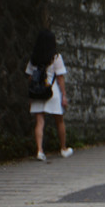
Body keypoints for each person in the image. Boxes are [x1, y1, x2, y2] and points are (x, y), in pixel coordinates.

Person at [26, 29, 73, 162]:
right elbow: (60, 78)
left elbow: (30, 77)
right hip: (52, 92)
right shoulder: (56, 57)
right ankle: (63, 148)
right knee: (59, 121)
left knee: (39, 122)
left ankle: (40, 151)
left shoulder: (34, 58)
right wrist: (64, 95)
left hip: (37, 92)